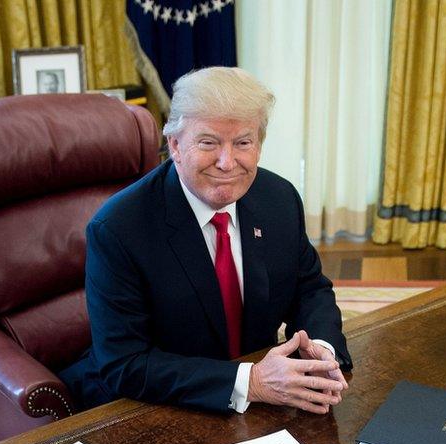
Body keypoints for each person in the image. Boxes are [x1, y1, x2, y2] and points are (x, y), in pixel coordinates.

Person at [60, 67, 352, 415]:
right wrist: (251, 381)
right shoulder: (118, 229)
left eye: (243, 142)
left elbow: (309, 288)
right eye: (209, 142)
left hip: (264, 398)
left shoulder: (280, 199)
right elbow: (124, 364)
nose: (227, 162)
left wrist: (320, 351)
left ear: (259, 145)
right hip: (152, 406)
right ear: (176, 145)